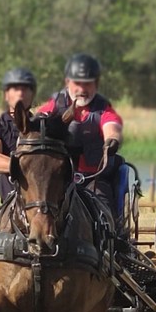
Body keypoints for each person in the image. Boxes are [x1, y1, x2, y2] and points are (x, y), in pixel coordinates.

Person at [36, 53, 124, 218]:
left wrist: (112, 140)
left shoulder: (104, 109)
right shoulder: (52, 107)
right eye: (77, 83)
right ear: (67, 82)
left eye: (88, 84)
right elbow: (35, 125)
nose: (82, 90)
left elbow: (112, 127)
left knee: (103, 215)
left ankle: (108, 241)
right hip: (58, 180)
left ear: (96, 84)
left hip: (93, 180)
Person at [0, 67, 37, 202]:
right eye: (15, 89)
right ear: (6, 95)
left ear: (32, 94)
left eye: (25, 89)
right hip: (11, 203)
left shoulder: (42, 125)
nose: (20, 93)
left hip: (41, 203)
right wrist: (27, 167)